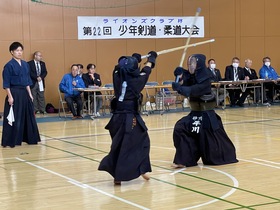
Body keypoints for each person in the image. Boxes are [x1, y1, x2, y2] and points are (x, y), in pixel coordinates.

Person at [98, 51, 157, 185]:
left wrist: (134, 59)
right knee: (142, 142)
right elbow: (146, 71)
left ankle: (121, 175)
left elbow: (120, 66)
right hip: (128, 118)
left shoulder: (117, 75)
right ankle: (137, 170)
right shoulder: (135, 81)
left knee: (120, 145)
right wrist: (151, 59)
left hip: (116, 118)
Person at [171, 54, 238, 167]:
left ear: (199, 65)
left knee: (209, 139)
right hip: (195, 113)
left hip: (206, 115)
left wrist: (180, 88)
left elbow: (195, 90)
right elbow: (186, 80)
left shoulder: (205, 79)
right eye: (189, 64)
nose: (191, 66)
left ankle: (222, 155)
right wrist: (179, 73)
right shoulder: (193, 76)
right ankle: (185, 159)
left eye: (193, 63)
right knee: (181, 128)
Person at [1, 42, 41, 148]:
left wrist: (30, 94)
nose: (19, 52)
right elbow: (6, 83)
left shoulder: (25, 64)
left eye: (21, 50)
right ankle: (12, 140)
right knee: (15, 118)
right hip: (14, 93)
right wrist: (10, 96)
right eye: (17, 50)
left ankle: (29, 138)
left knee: (27, 116)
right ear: (12, 52)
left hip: (25, 93)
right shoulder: (8, 65)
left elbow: (27, 81)